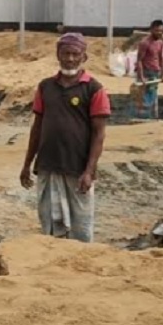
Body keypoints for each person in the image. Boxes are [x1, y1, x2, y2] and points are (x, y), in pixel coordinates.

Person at [20, 33, 111, 243]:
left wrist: (89, 171)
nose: (70, 59)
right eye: (65, 53)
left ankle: (79, 268)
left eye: (75, 54)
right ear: (58, 55)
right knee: (50, 223)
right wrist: (27, 164)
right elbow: (37, 127)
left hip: (77, 167)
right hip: (48, 164)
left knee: (81, 225)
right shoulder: (45, 87)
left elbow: (99, 134)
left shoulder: (94, 89)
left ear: (84, 57)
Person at [134, 19, 163, 118]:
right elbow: (139, 60)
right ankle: (141, 117)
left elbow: (161, 58)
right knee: (143, 95)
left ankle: (152, 116)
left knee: (152, 94)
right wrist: (141, 76)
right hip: (146, 72)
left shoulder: (160, 43)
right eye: (157, 31)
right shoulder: (145, 43)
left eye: (161, 31)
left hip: (155, 72)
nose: (159, 33)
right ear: (151, 30)